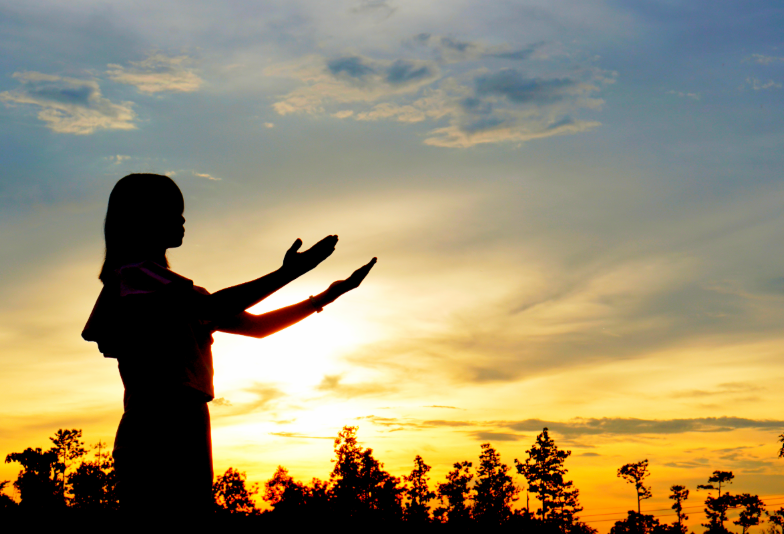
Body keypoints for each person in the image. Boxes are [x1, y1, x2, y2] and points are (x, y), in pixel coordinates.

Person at [81, 173, 376, 520]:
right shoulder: (134, 278)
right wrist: (290, 272)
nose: (182, 219)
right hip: (157, 428)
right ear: (142, 218)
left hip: (187, 423)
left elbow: (258, 327)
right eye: (173, 211)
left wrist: (329, 295)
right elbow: (217, 307)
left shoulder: (180, 295)